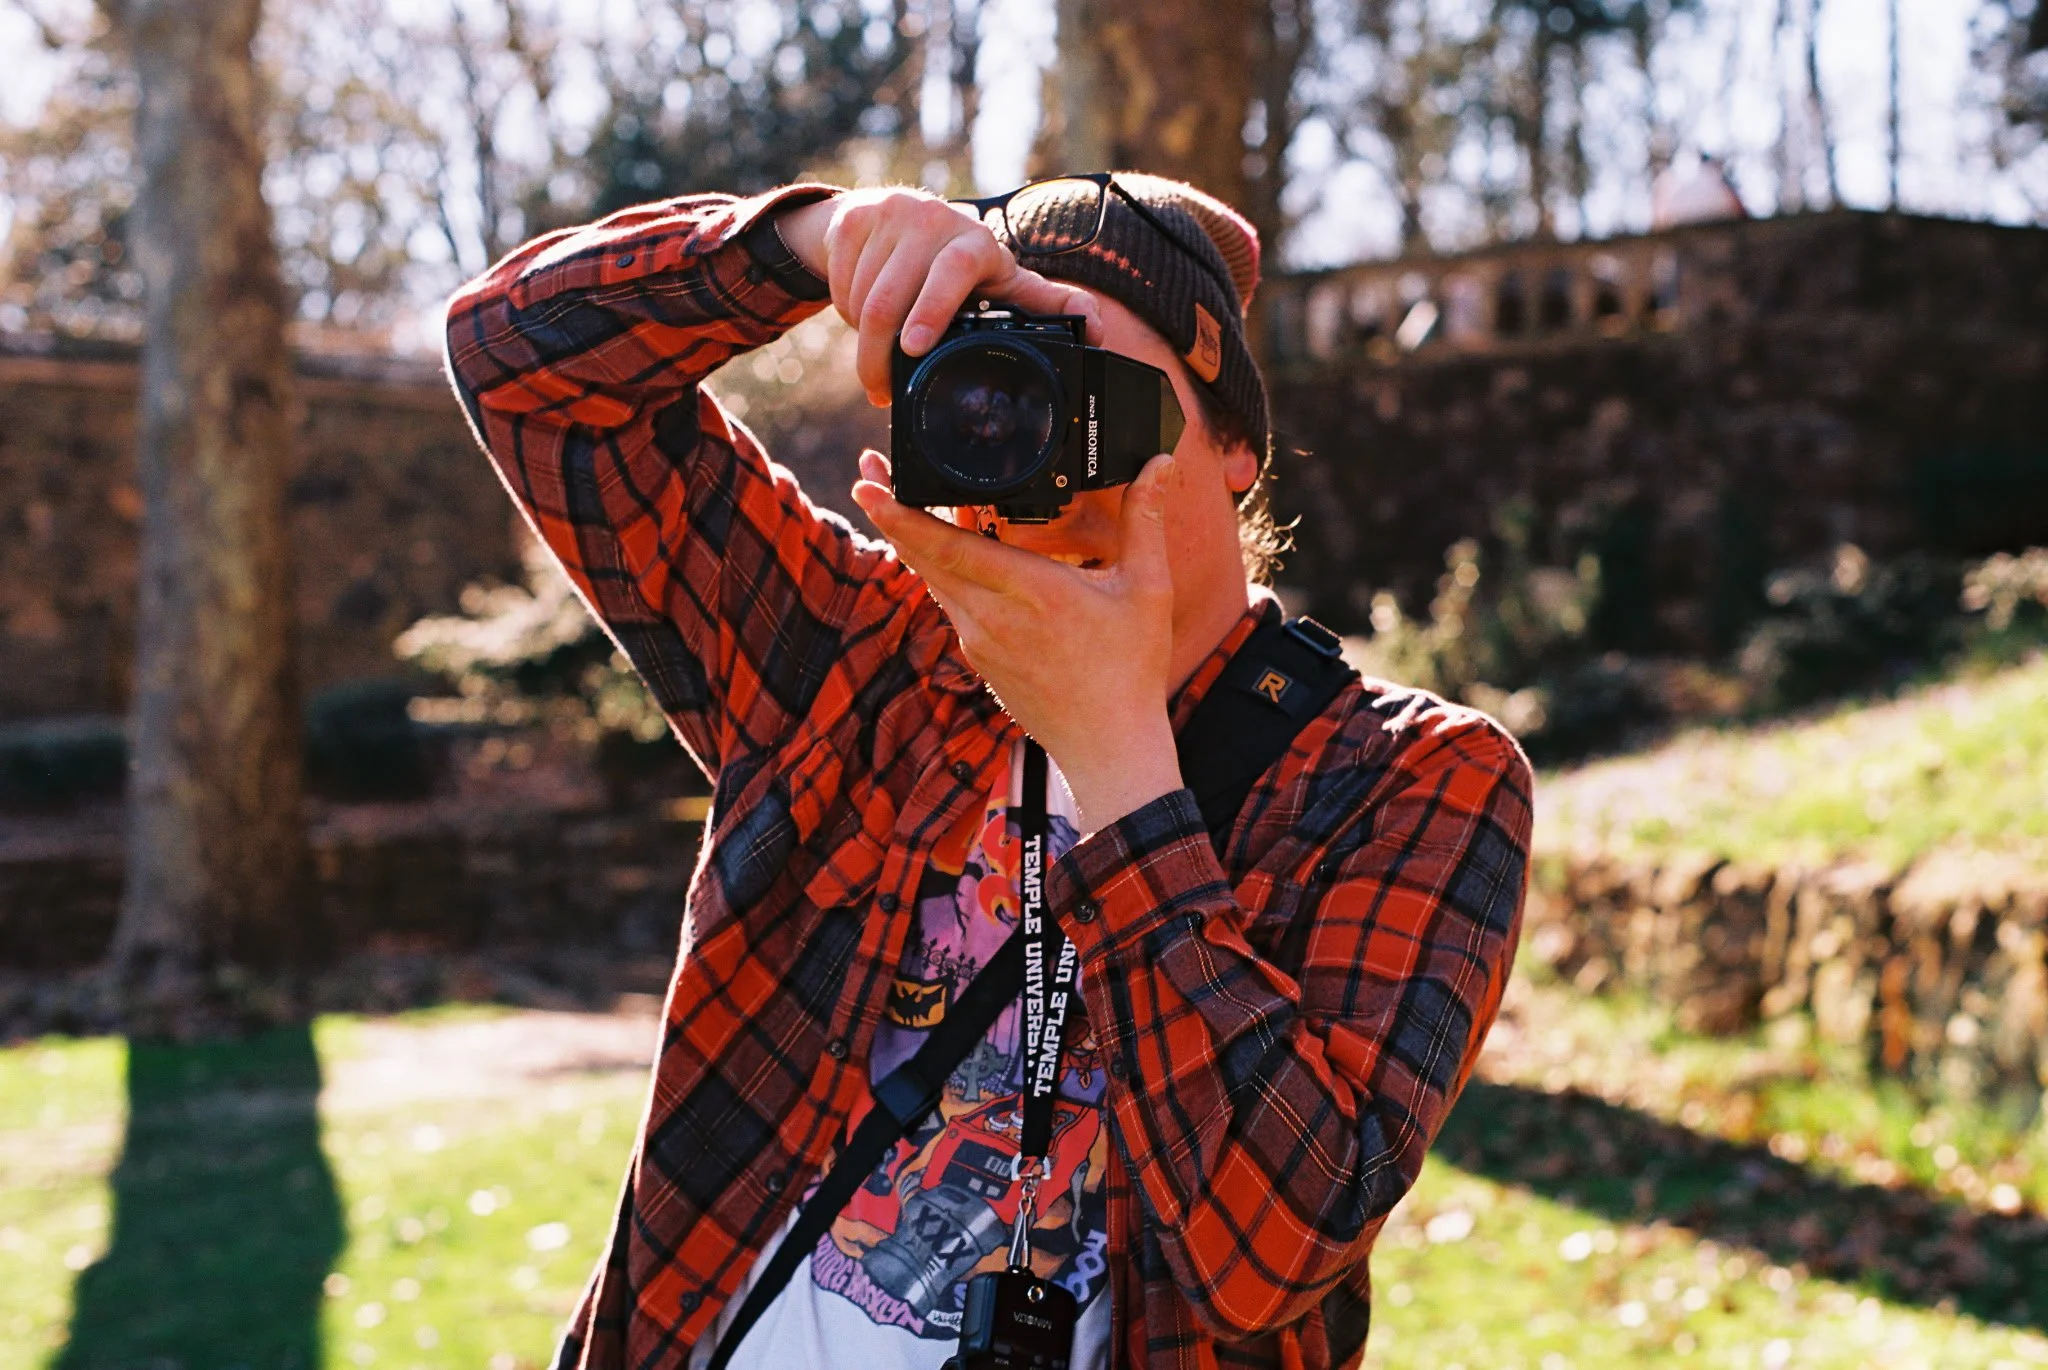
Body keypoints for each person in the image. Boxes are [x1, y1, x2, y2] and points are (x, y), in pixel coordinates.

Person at [443, 171, 1533, 1370]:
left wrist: (1118, 756)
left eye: (1090, 392)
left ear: (1230, 444)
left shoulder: (1406, 780)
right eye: (987, 389)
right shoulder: (863, 658)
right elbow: (519, 364)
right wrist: (813, 243)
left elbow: (1274, 1252)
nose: (1034, 443)